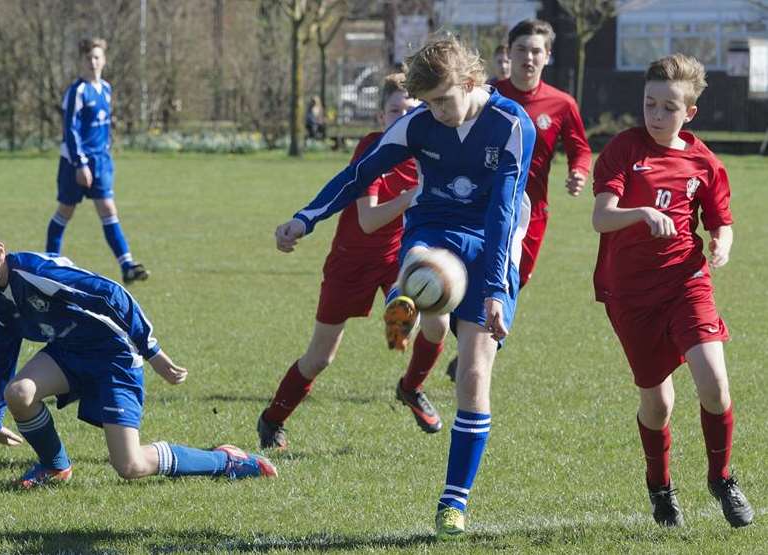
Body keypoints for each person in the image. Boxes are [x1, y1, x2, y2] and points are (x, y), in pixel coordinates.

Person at [274, 36, 535, 539]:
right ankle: (406, 296)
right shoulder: (418, 124)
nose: (434, 112)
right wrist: (305, 218)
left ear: (470, 82)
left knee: (475, 377)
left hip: (491, 240)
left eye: (442, 99)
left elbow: (503, 213)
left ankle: (453, 502)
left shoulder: (511, 125)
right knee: (425, 262)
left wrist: (498, 290)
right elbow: (357, 176)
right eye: (427, 102)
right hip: (433, 225)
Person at [0, 221, 277, 488]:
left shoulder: (36, 273)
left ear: (0, 251)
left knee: (130, 465)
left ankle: (226, 460)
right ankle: (55, 467)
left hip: (114, 356)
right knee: (18, 394)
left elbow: (111, 294)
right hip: (68, 353)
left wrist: (154, 353)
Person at [591, 54, 753, 528]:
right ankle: (661, 488)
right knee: (658, 405)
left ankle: (721, 477)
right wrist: (640, 213)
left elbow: (721, 222)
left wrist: (721, 244)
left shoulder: (705, 162)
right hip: (631, 294)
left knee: (714, 382)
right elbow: (601, 217)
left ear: (690, 113)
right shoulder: (624, 149)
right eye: (650, 104)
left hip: (686, 281)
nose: (657, 116)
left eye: (668, 107)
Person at [257, 73, 447, 452]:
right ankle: (272, 419)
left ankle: (411, 386)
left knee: (438, 322)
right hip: (351, 262)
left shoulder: (428, 153)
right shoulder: (374, 149)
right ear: (381, 117)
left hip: (398, 258)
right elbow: (369, 218)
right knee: (320, 357)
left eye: (411, 111)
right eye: (395, 110)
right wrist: (412, 195)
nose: (402, 117)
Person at [447, 20, 592, 381]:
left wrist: (579, 171)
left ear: (548, 56)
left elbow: (580, 148)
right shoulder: (487, 95)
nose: (529, 57)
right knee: (474, 274)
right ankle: (475, 344)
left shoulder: (562, 104)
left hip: (530, 215)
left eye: (536, 51)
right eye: (522, 50)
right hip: (480, 205)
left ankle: (477, 344)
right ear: (508, 53)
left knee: (513, 279)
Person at [45, 38, 149, 285]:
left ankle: (127, 266)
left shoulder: (106, 88)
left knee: (108, 209)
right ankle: (48, 266)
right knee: (65, 211)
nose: (93, 62)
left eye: (97, 57)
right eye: (88, 58)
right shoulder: (77, 91)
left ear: (104, 60)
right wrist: (80, 164)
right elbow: (70, 130)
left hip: (101, 161)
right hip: (75, 162)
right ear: (81, 61)